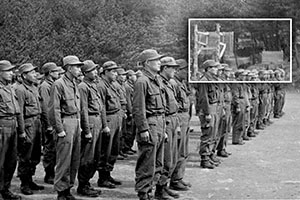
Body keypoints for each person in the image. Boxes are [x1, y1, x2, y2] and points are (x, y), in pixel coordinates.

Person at [49, 55, 83, 200]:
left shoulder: (74, 83)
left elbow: (78, 107)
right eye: (76, 66)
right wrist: (59, 129)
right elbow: (54, 109)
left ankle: (68, 188)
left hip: (75, 122)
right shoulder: (59, 84)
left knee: (74, 159)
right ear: (69, 68)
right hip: (65, 123)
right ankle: (61, 191)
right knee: (64, 159)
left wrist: (79, 124)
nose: (79, 69)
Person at [133, 49, 166, 200]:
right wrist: (143, 129)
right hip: (150, 123)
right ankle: (143, 192)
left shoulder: (156, 80)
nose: (159, 62)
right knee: (147, 161)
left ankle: (151, 189)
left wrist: (164, 128)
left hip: (159, 122)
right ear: (147, 63)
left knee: (158, 160)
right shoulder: (142, 81)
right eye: (156, 60)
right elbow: (138, 108)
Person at [77, 60, 107, 197]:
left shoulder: (93, 85)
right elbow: (83, 110)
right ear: (85, 73)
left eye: (96, 69)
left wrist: (104, 125)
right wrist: (87, 130)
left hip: (98, 121)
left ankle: (87, 182)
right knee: (87, 157)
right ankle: (82, 185)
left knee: (96, 156)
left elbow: (101, 107)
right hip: (90, 122)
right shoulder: (83, 86)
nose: (96, 72)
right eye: (92, 70)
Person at [15, 63, 44, 195]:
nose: (35, 75)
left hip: (36, 123)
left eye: (34, 72)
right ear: (24, 75)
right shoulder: (20, 90)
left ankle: (30, 179)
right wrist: (21, 131)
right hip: (27, 124)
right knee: (25, 154)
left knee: (35, 154)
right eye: (31, 73)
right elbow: (19, 112)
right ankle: (24, 183)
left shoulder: (34, 87)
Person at [156, 56, 181, 199]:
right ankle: (159, 189)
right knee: (165, 159)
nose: (174, 70)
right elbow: (162, 108)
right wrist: (165, 128)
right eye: (172, 68)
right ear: (164, 68)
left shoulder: (169, 83)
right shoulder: (159, 83)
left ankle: (164, 186)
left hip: (173, 120)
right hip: (165, 122)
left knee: (171, 158)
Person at [96, 61, 122, 189]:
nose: (116, 74)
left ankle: (108, 173)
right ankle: (102, 177)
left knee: (114, 149)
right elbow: (101, 108)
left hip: (116, 117)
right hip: (109, 119)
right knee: (105, 150)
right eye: (113, 71)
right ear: (105, 72)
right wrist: (104, 124)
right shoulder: (101, 86)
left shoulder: (113, 85)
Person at [0, 60, 22, 200]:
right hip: (2, 126)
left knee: (11, 161)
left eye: (12, 70)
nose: (11, 73)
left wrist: (21, 130)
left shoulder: (11, 88)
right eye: (8, 71)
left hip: (13, 124)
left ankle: (5, 189)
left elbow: (17, 111)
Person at [170, 59, 192, 190]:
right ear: (178, 70)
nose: (187, 72)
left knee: (183, 150)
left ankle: (178, 177)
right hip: (179, 118)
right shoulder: (174, 84)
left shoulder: (181, 83)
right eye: (185, 70)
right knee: (177, 150)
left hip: (184, 117)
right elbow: (173, 105)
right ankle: (174, 179)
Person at [39, 62, 60, 185]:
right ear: (50, 73)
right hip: (49, 124)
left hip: (53, 122)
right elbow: (46, 108)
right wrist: (49, 125)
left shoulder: (52, 85)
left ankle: (52, 172)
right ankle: (49, 174)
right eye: (56, 71)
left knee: (54, 148)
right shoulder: (45, 86)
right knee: (50, 149)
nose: (58, 73)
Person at [123, 69, 138, 155]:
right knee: (129, 131)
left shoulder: (131, 86)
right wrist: (131, 111)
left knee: (132, 131)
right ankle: (126, 147)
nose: (135, 77)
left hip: (132, 110)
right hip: (130, 112)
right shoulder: (127, 87)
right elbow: (128, 100)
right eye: (133, 75)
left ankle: (129, 146)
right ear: (129, 77)